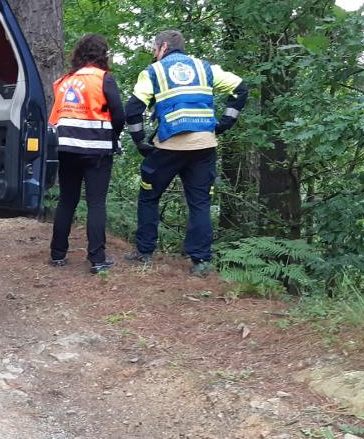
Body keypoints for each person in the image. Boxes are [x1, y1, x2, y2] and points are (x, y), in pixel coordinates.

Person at [122, 30, 248, 277]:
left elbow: (133, 109)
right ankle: (201, 262)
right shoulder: (204, 68)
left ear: (163, 47)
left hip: (168, 146)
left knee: (149, 196)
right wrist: (225, 123)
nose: (153, 53)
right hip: (204, 145)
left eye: (154, 48)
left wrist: (139, 141)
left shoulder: (153, 71)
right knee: (200, 202)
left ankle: (145, 252)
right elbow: (240, 88)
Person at [48, 34, 126, 274]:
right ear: (102, 54)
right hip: (97, 150)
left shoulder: (63, 82)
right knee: (96, 203)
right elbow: (119, 115)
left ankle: (57, 254)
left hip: (66, 148)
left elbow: (55, 117)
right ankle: (97, 259)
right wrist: (113, 137)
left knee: (67, 200)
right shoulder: (103, 79)